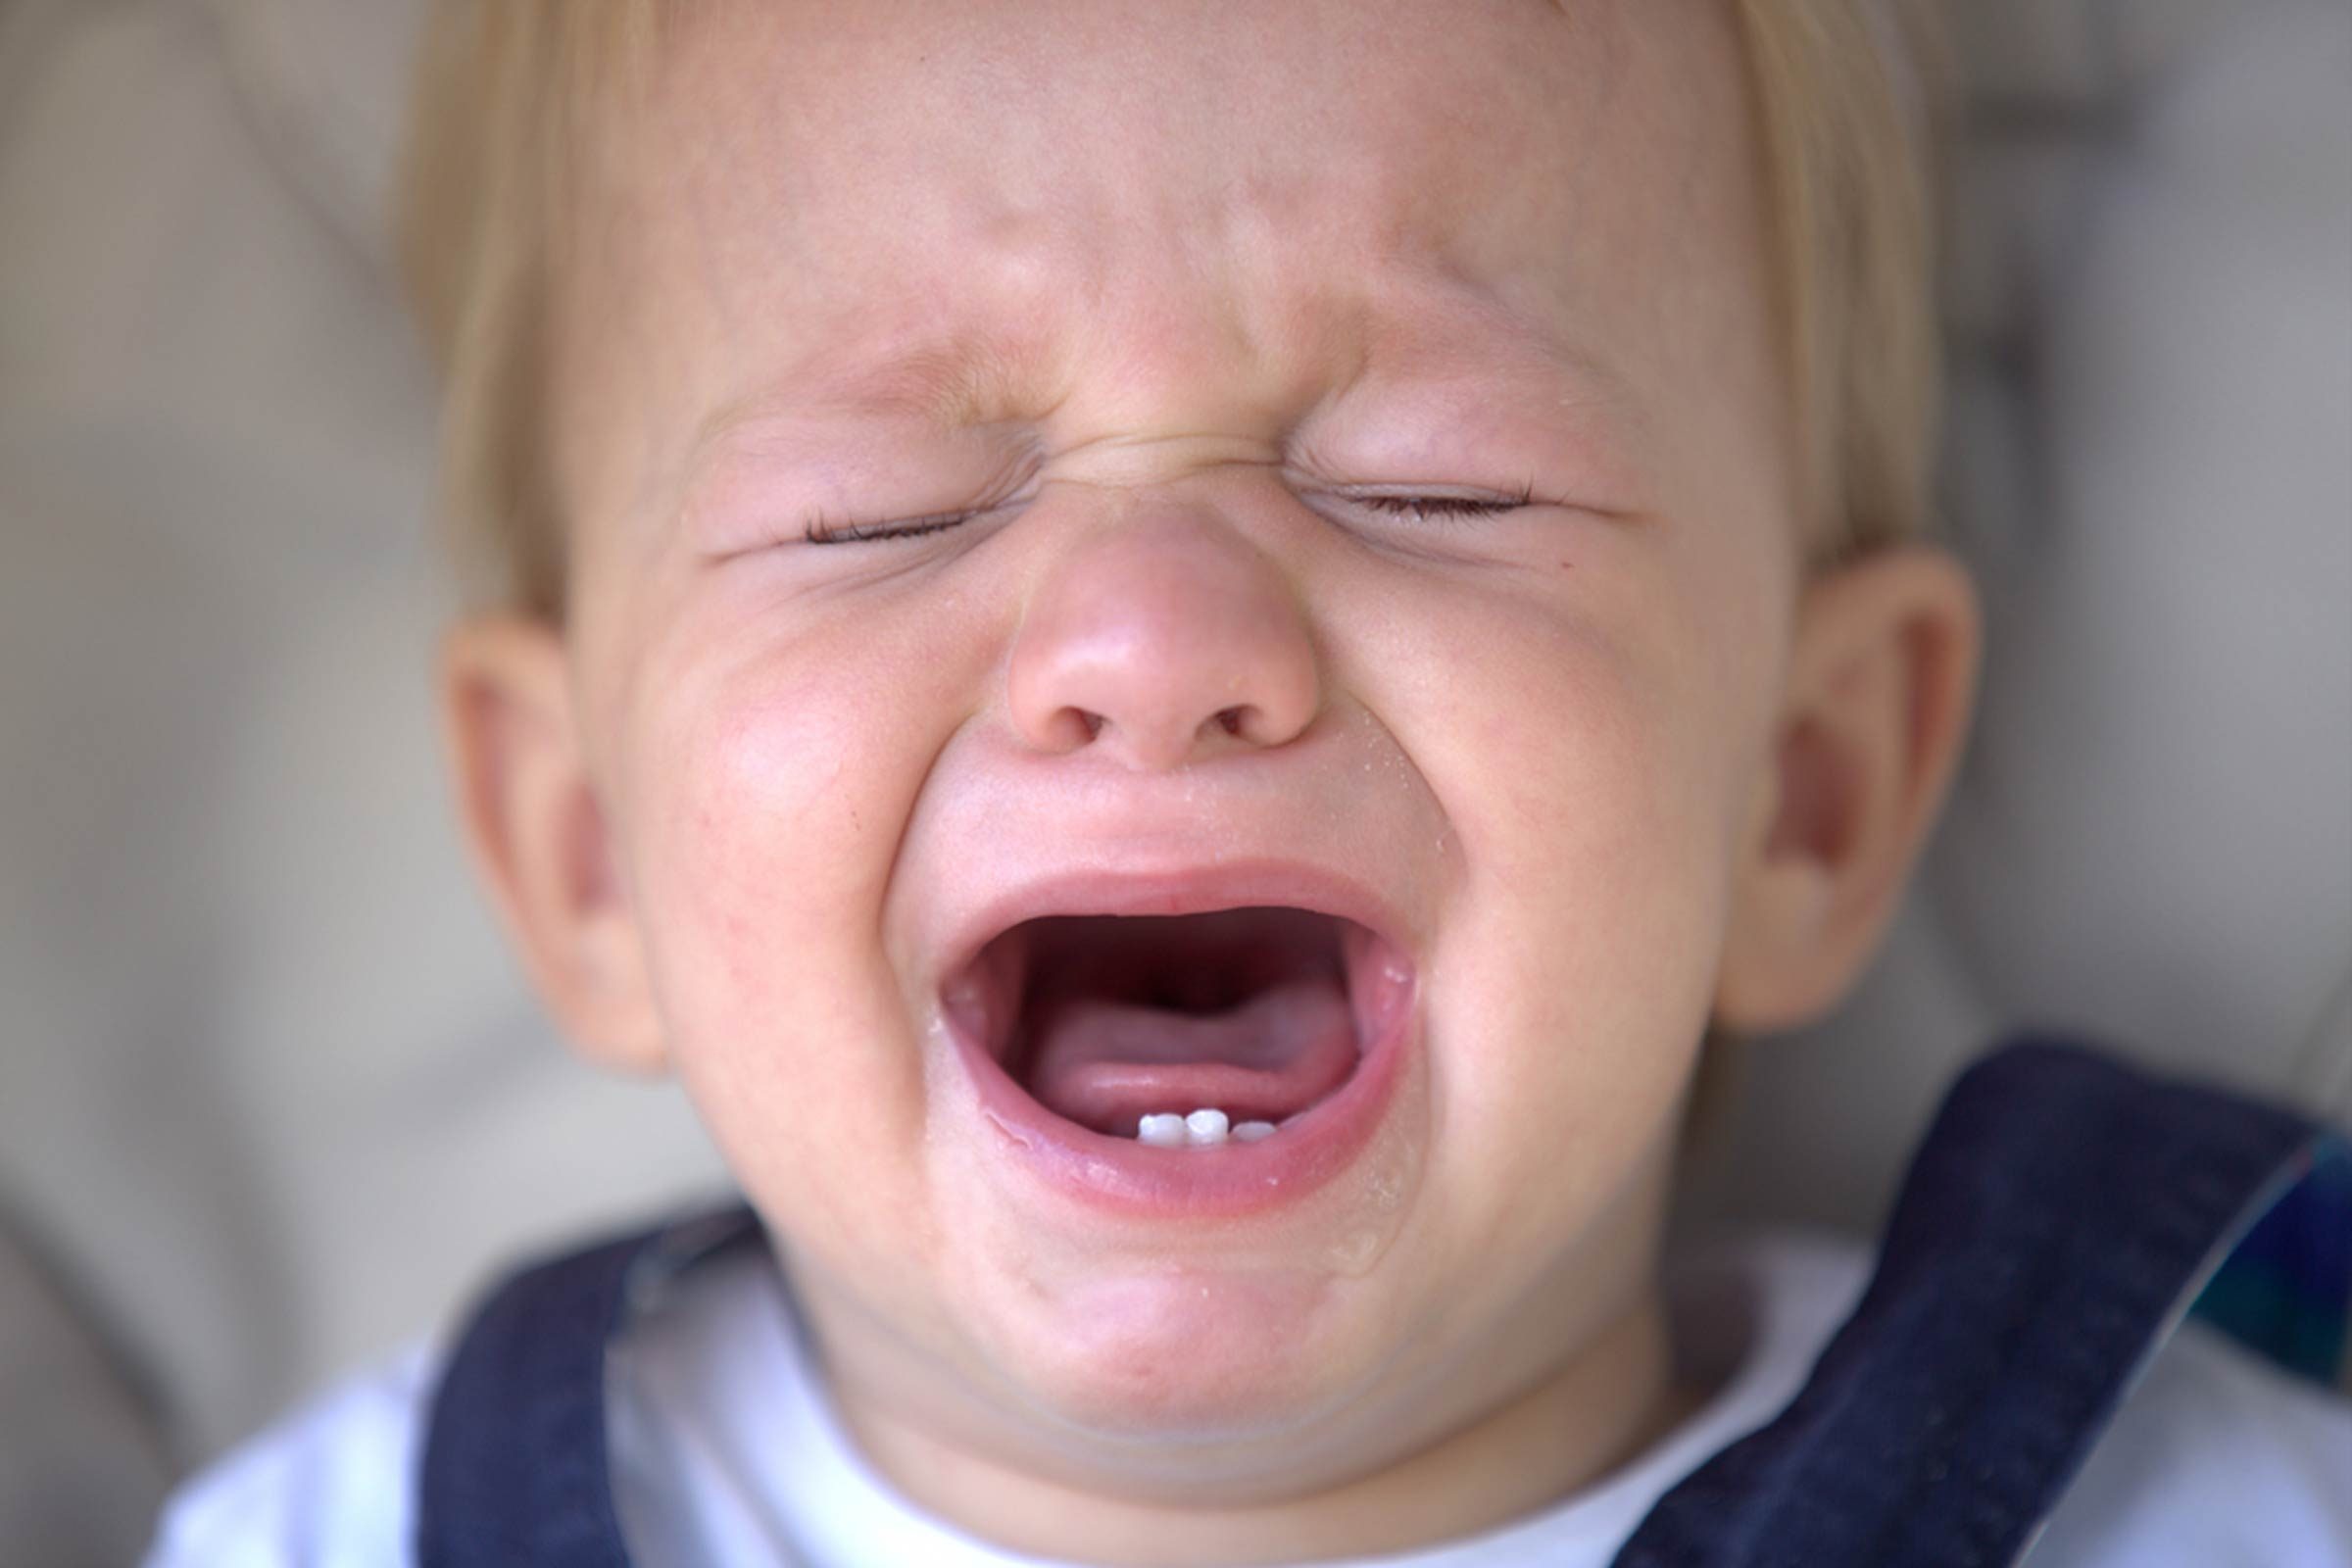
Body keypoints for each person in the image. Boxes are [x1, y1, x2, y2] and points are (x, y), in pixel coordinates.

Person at [146, 2, 2352, 1564]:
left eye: (1437, 482)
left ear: (1805, 794)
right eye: (887, 508)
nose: (1156, 641)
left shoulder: (2189, 1509)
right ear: (586, 849)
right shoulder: (339, 1535)